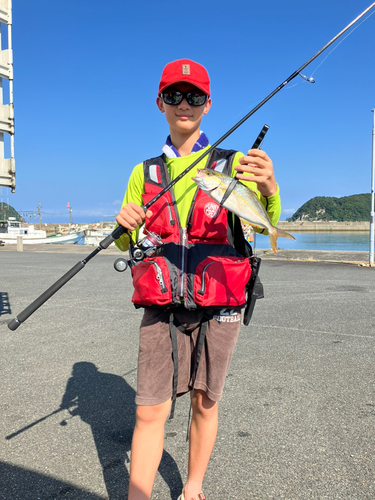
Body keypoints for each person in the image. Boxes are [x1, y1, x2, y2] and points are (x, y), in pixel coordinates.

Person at [115, 58, 281, 500]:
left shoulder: (235, 163)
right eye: (174, 95)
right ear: (160, 103)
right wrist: (125, 223)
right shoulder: (142, 173)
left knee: (206, 402)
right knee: (150, 410)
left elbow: (262, 225)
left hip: (220, 304)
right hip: (161, 304)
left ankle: (192, 487)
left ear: (208, 105)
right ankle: (139, 495)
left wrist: (268, 189)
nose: (183, 104)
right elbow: (125, 245)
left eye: (194, 96)